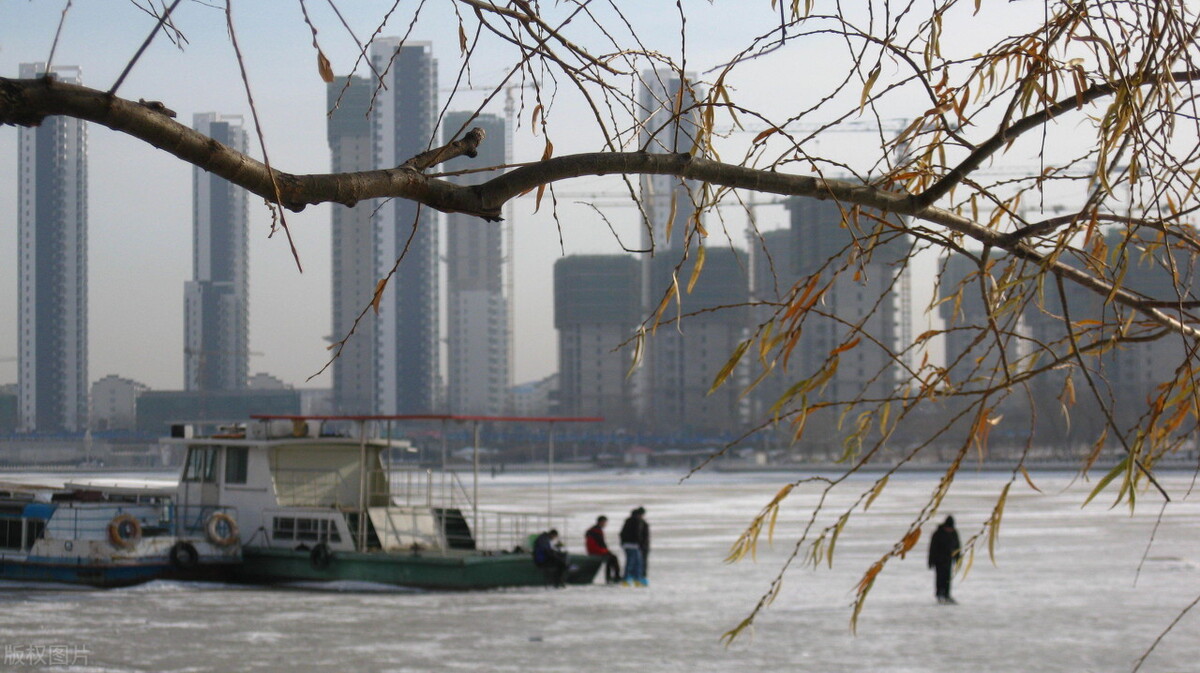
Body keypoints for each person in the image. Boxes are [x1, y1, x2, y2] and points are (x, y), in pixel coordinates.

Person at [927, 515, 961, 604]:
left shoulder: (954, 533)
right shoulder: (938, 533)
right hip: (938, 561)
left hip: (948, 560)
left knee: (947, 578)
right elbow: (932, 548)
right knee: (939, 578)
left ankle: (947, 594)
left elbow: (957, 547)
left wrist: (958, 559)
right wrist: (930, 561)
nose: (950, 529)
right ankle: (939, 594)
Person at [585, 515, 621, 583]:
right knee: (613, 558)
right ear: (601, 522)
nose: (605, 524)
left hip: (593, 550)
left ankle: (609, 577)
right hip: (596, 551)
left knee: (610, 558)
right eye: (605, 522)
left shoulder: (592, 530)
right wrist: (607, 551)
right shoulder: (597, 531)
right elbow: (601, 543)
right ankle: (615, 577)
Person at [619, 507, 649, 586]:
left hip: (627, 545)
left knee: (631, 562)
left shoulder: (627, 521)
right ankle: (632, 580)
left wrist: (623, 543)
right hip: (634, 545)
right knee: (636, 563)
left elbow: (621, 533)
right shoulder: (638, 521)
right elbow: (637, 533)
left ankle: (630, 579)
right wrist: (640, 543)